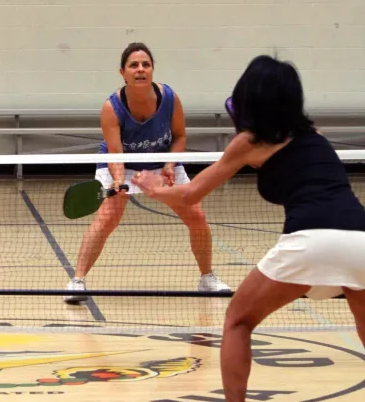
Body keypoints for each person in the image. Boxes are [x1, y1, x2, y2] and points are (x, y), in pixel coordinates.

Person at [132, 55, 365, 401]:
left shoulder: (250, 142)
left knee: (238, 322)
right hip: (361, 238)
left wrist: (154, 188)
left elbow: (191, 194)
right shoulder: (315, 136)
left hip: (312, 238)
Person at [64, 42, 229, 303]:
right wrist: (118, 182)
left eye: (146, 65)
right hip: (121, 163)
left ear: (152, 70)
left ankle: (207, 278)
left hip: (161, 160)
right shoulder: (112, 107)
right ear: (123, 73)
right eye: (134, 65)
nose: (140, 70)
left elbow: (180, 136)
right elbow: (115, 154)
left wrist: (169, 165)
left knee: (196, 216)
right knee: (108, 218)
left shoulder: (170, 99)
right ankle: (77, 281)